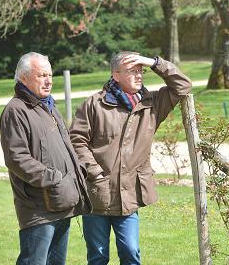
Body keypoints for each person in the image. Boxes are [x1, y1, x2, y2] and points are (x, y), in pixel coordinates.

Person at [69, 51, 192, 265]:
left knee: (131, 252)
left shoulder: (152, 104)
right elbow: (76, 141)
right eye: (132, 71)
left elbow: (183, 85)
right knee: (97, 256)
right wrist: (95, 172)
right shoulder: (93, 105)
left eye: (141, 71)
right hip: (97, 194)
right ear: (116, 75)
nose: (139, 75)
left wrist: (154, 62)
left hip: (130, 195)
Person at [0, 52, 92, 265]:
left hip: (61, 200)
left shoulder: (48, 106)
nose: (49, 81)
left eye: (50, 75)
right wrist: (55, 178)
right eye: (42, 75)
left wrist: (77, 171)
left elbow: (65, 146)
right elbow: (17, 158)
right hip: (38, 206)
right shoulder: (16, 110)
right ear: (23, 78)